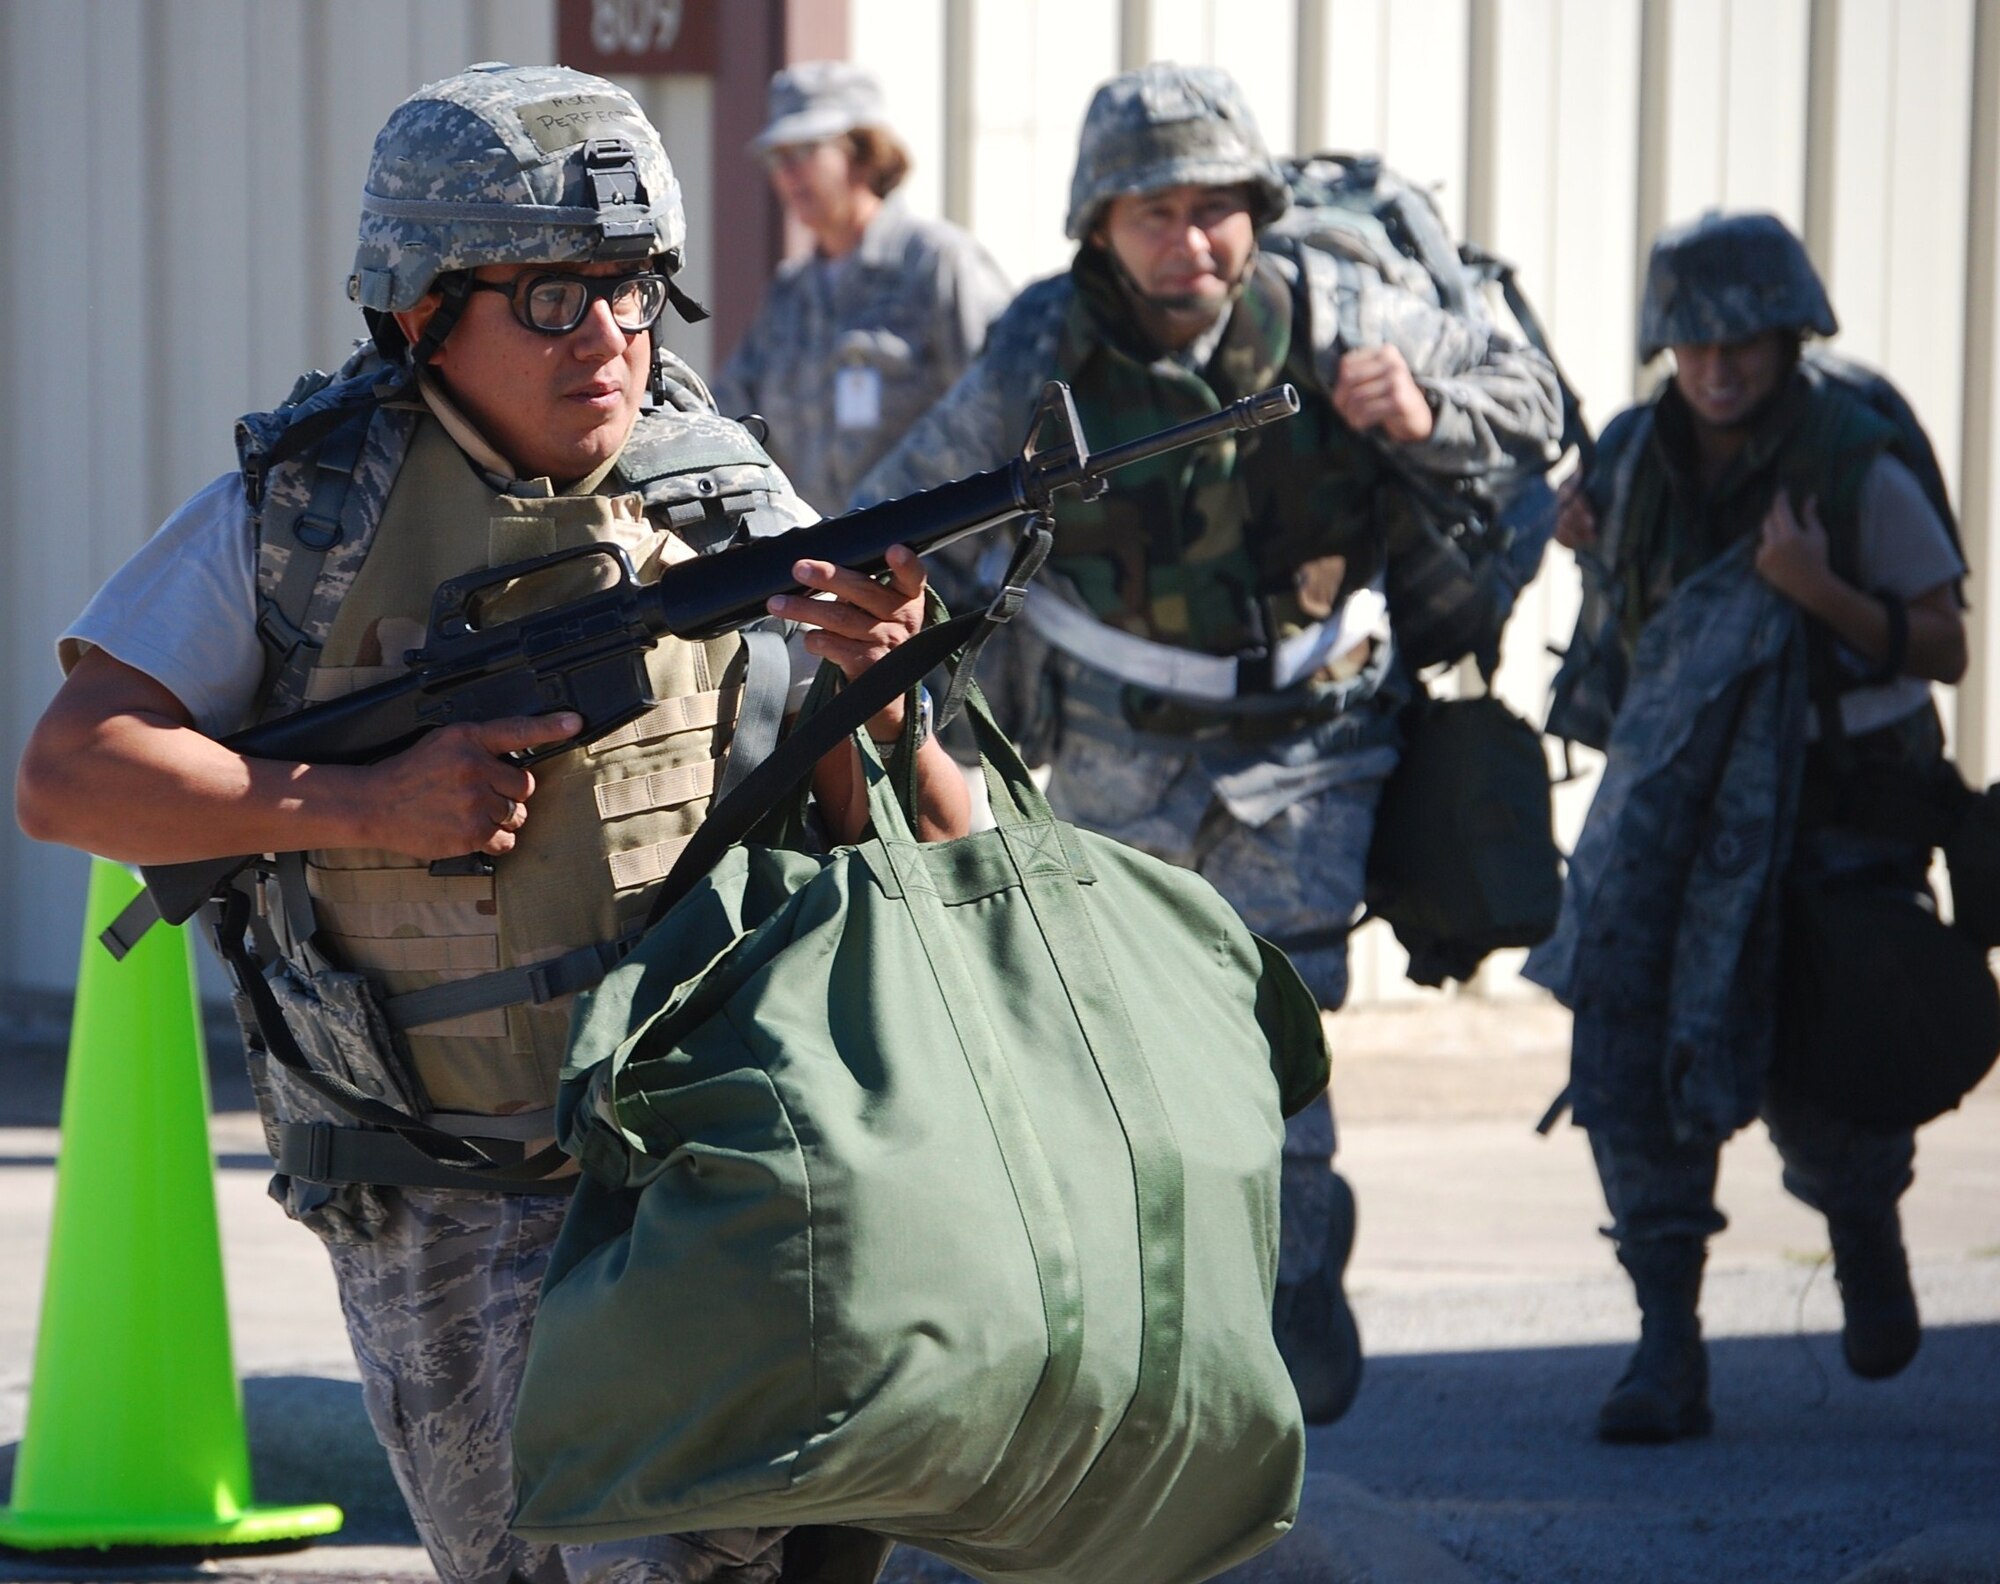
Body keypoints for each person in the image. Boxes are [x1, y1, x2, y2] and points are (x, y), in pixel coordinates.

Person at [15, 63, 967, 1584]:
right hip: (448, 1198)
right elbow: (70, 774)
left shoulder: (724, 495)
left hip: (702, 1162)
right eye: (548, 298)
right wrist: (362, 804)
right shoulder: (300, 521)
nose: (608, 339)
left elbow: (940, 848)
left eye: (634, 288)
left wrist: (886, 690)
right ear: (420, 311)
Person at [853, 62, 1563, 1424]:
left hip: (1314, 736)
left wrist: (1421, 411)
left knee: (1272, 1017)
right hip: (1122, 732)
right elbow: (918, 509)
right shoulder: (1042, 344)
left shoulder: (1350, 307)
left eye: (1219, 208)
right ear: (1098, 223)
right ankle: (1153, 1327)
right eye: (1155, 212)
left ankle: (1298, 1289)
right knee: (1125, 1038)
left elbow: (1533, 407)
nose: (1193, 240)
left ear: (1260, 208)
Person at [1527, 211, 1968, 1444]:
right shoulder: (1631, 456)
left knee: (1827, 1066)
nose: (1715, 369)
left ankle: (1860, 1222)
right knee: (1627, 1061)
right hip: (1670, 818)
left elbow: (1944, 645)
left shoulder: (1850, 458)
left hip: (1833, 816)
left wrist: (1816, 591)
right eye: (1691, 345)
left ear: (1786, 337)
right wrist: (1582, 543)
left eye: (1742, 344)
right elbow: (1643, 643)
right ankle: (1666, 1345)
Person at [710, 61, 1011, 516]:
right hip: (823, 568)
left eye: (806, 151)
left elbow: (1004, 410)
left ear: (864, 153)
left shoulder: (937, 265)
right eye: (778, 157)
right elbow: (725, 422)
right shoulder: (790, 295)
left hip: (937, 570)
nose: (788, 174)